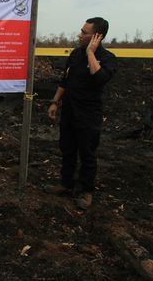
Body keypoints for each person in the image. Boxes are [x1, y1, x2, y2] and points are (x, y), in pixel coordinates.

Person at [45, 17, 118, 210]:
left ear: (97, 36)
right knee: (67, 148)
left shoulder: (108, 58)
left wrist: (91, 53)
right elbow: (65, 81)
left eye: (84, 33)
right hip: (69, 111)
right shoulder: (75, 55)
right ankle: (66, 184)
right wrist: (55, 102)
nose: (79, 35)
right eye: (81, 31)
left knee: (87, 153)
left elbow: (99, 77)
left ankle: (86, 191)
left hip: (89, 114)